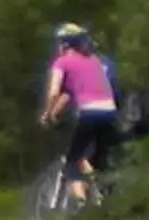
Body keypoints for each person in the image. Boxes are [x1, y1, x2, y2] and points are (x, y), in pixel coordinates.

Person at [41, 23, 122, 205]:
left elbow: (54, 93)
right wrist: (54, 111)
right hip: (110, 112)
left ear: (64, 44)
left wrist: (47, 115)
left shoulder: (62, 62)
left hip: (89, 112)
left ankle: (80, 203)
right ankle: (103, 191)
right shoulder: (93, 61)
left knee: (73, 162)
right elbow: (68, 94)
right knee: (92, 156)